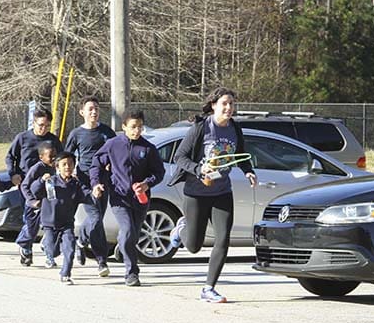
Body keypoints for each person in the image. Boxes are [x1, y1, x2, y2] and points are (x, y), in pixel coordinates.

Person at [168, 87, 256, 303]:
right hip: (196, 192)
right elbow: (180, 157)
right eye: (225, 103)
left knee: (223, 238)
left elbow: (240, 156)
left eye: (232, 104)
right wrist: (199, 169)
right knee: (194, 246)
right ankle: (182, 229)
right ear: (214, 105)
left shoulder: (235, 128)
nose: (229, 108)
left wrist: (248, 171)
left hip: (222, 191)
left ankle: (208, 288)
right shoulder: (201, 127)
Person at [91, 109, 165, 287]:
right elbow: (96, 164)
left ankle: (123, 243)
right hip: (119, 197)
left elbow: (159, 172)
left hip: (141, 199)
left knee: (133, 234)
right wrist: (96, 184)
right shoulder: (112, 145)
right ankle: (131, 273)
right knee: (128, 230)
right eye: (133, 127)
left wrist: (147, 183)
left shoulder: (148, 148)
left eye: (140, 127)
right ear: (124, 126)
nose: (137, 131)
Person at [31, 152, 104, 284]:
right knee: (53, 252)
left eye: (70, 164)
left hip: (67, 224)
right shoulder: (50, 182)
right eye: (64, 164)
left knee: (69, 249)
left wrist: (95, 193)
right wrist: (41, 180)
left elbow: (87, 195)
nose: (67, 167)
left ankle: (65, 273)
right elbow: (34, 191)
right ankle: (47, 245)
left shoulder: (76, 184)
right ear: (57, 166)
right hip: (50, 223)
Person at [65, 96, 116, 275]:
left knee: (98, 217)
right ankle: (102, 261)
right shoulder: (76, 134)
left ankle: (81, 241)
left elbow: (116, 151)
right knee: (95, 217)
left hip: (103, 179)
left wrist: (112, 164)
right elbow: (67, 155)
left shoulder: (106, 132)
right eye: (90, 109)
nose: (94, 112)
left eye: (96, 108)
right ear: (82, 113)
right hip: (85, 180)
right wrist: (69, 171)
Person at [5, 108, 63, 264]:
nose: (43, 129)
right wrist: (13, 174)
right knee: (30, 219)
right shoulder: (22, 138)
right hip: (27, 184)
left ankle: (47, 247)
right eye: (41, 125)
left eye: (47, 126)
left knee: (51, 219)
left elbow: (61, 159)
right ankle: (26, 248)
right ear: (34, 123)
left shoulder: (53, 140)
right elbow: (10, 156)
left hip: (48, 185)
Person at [18, 141, 56, 267]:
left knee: (51, 228)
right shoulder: (37, 168)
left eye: (55, 155)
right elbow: (25, 185)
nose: (53, 158)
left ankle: (48, 251)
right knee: (31, 231)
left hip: (48, 204)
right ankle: (25, 247)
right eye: (50, 156)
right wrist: (32, 201)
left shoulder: (56, 167)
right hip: (34, 205)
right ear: (41, 157)